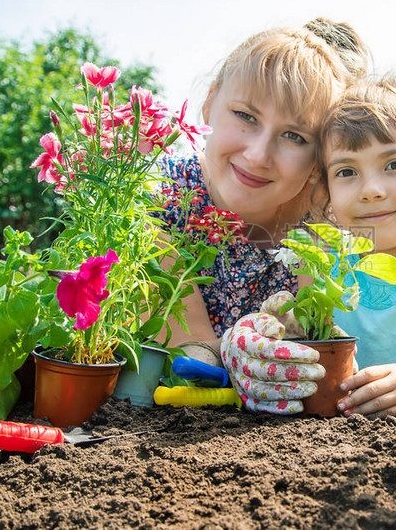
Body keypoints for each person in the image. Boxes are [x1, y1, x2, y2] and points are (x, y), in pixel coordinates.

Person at [221, 76, 396, 416]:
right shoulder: (324, 271)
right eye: (346, 171)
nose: (371, 189)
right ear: (328, 199)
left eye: (394, 165)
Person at [155, 19, 370, 366]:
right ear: (210, 103)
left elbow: (326, 356)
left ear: (318, 160)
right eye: (245, 116)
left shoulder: (323, 228)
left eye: (295, 136)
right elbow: (192, 355)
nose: (257, 155)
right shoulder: (156, 199)